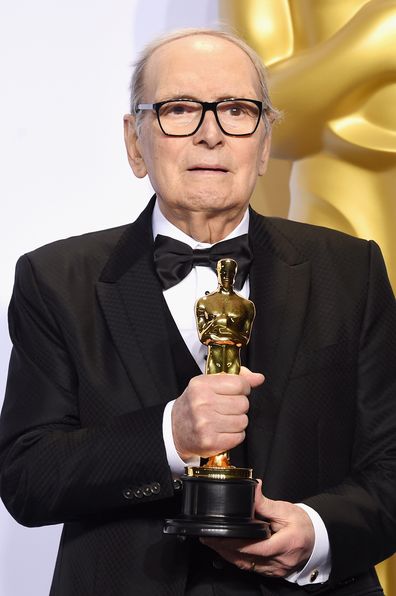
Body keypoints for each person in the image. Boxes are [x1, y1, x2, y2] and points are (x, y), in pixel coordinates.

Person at [0, 27, 395, 596]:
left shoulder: (350, 270)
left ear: (262, 145)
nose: (211, 134)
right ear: (136, 143)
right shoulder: (54, 279)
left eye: (236, 110)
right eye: (179, 108)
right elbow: (27, 478)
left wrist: (317, 532)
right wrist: (170, 435)